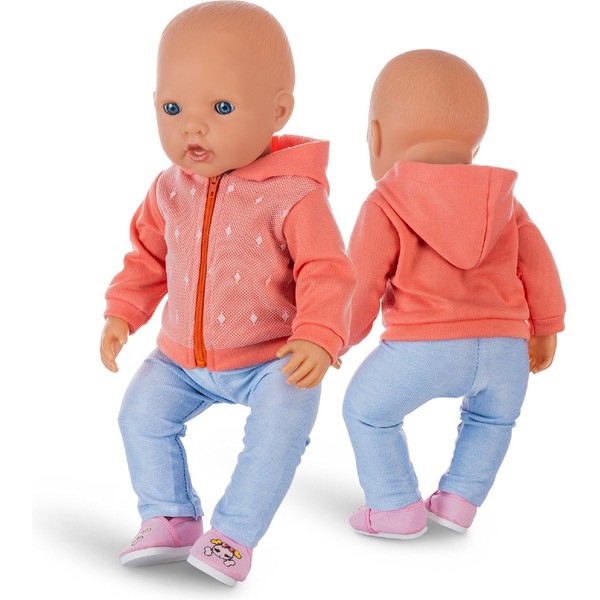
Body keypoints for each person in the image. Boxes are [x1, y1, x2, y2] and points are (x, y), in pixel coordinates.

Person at [100, 1, 355, 585]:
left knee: (279, 430)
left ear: (277, 111)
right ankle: (169, 516)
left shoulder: (294, 194)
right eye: (172, 108)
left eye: (221, 108)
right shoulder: (169, 189)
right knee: (140, 415)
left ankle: (233, 535)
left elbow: (327, 269)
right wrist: (123, 313)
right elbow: (147, 258)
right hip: (180, 358)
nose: (192, 127)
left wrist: (318, 336)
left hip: (272, 359)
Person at [342, 49, 565, 539]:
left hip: (424, 350)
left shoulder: (385, 202)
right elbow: (539, 266)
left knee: (366, 412)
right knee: (492, 420)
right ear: (475, 146)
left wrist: (336, 340)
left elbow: (361, 282)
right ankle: (459, 504)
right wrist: (545, 328)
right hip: (506, 350)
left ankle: (394, 506)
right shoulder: (504, 203)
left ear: (375, 137)